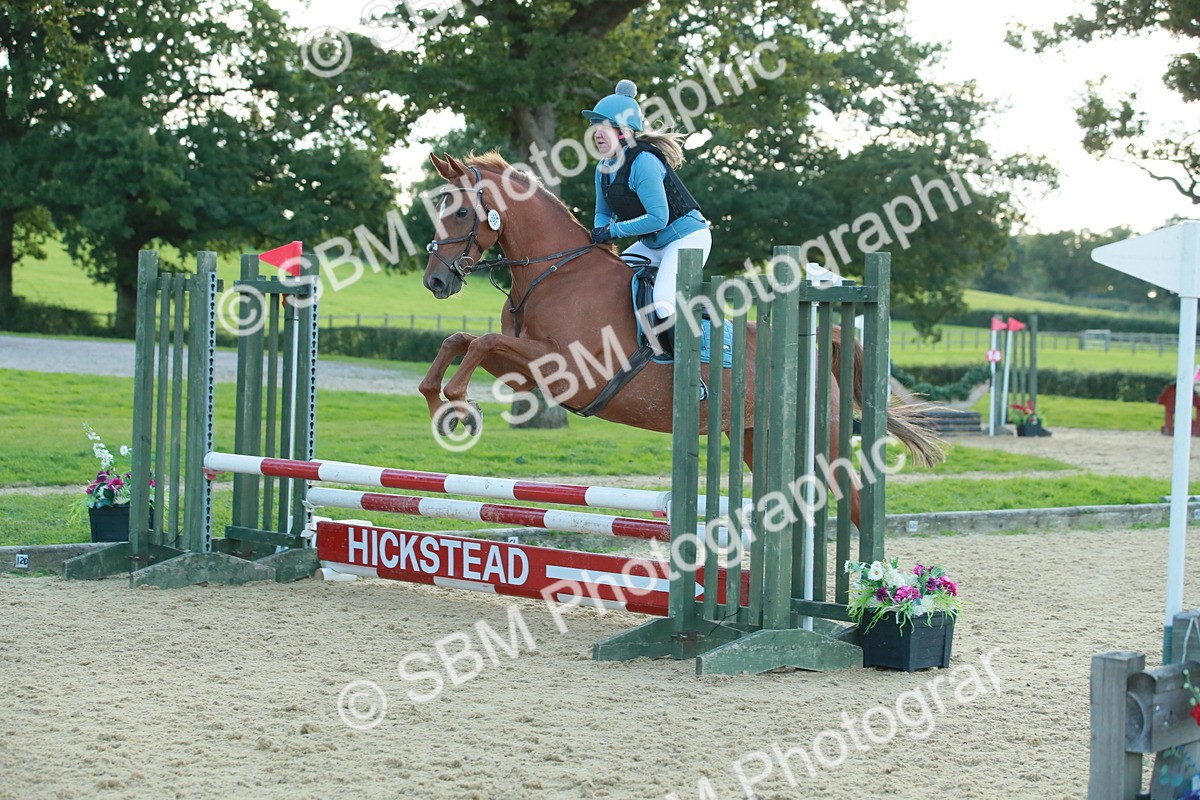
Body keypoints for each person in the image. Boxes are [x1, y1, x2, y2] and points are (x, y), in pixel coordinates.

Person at [582, 80, 711, 324]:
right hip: (652, 245)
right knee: (609, 285)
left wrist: (614, 231)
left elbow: (657, 218)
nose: (597, 132)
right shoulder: (603, 168)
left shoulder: (644, 162)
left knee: (662, 302)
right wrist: (601, 239)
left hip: (687, 239)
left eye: (605, 126)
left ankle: (688, 354)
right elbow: (603, 213)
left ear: (624, 132)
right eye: (595, 125)